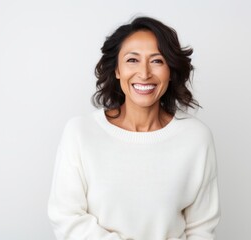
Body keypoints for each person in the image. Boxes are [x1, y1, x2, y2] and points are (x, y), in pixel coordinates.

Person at [48, 16, 220, 240]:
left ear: (170, 70)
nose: (145, 73)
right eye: (132, 60)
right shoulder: (80, 132)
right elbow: (66, 216)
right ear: (117, 70)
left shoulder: (196, 138)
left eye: (157, 61)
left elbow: (201, 229)